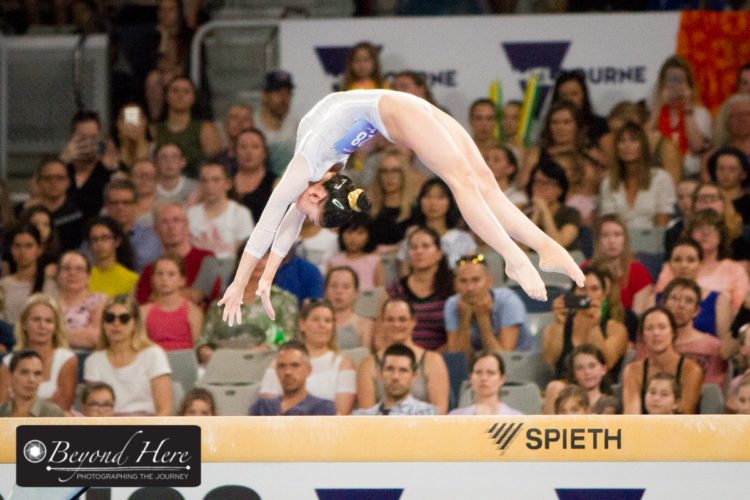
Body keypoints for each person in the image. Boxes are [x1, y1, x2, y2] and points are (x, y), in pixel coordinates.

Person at [219, 90, 586, 326]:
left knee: (462, 183)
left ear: (316, 196)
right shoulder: (322, 178)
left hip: (400, 114)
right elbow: (289, 225)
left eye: (307, 213)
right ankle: (547, 247)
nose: (300, 215)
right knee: (483, 181)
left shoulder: (301, 170)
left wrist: (239, 283)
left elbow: (267, 227)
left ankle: (513, 257)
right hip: (407, 109)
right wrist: (265, 279)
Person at [259, 300, 356, 415]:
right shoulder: (279, 361)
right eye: (316, 320)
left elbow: (342, 413)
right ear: (302, 324)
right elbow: (268, 409)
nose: (322, 325)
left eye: (327, 321)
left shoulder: (344, 364)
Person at [84, 294, 172, 416]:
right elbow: (93, 409)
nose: (116, 323)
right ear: (104, 324)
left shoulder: (154, 354)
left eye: (124, 319)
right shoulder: (93, 361)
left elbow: (164, 409)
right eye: (110, 318)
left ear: (135, 323)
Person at [357, 298, 449, 414]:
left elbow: (439, 411)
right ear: (382, 322)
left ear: (413, 321)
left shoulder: (433, 360)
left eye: (402, 319)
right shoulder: (368, 364)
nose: (396, 324)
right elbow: (367, 415)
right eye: (390, 319)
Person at [200, 249, 298, 350]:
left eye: (264, 257)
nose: (258, 262)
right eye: (252, 257)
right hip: (226, 361)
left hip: (267, 361)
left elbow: (289, 339)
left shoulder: (284, 300)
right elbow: (203, 342)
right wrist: (206, 352)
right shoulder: (222, 304)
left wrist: (266, 348)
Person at [543, 266, 628, 380]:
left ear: (603, 295)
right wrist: (559, 324)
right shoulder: (556, 327)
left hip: (600, 391)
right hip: (565, 390)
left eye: (594, 289)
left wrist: (595, 325)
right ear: (573, 293)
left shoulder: (615, 329)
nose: (588, 294)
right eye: (582, 288)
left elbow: (607, 362)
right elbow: (549, 359)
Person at [656, 209, 749, 312]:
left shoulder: (735, 270)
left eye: (712, 227)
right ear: (690, 234)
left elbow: (741, 309)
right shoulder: (672, 266)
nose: (705, 233)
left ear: (721, 234)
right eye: (699, 227)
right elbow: (660, 302)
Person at [444, 253, 533, 361]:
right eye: (463, 281)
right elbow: (457, 361)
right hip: (476, 368)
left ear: (489, 281)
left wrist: (483, 318)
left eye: (475, 280)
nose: (470, 288)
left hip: (519, 365)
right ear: (455, 284)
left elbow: (504, 361)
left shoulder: (508, 301)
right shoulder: (452, 304)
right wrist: (464, 320)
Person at [136, 203, 223, 308]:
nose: (171, 227)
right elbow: (143, 308)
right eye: (164, 222)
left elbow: (197, 297)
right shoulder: (149, 270)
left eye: (176, 220)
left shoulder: (207, 259)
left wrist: (158, 297)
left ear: (186, 225)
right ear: (155, 230)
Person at [0, 294, 77, 413]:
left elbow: (62, 409)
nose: (42, 326)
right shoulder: (9, 362)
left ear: (55, 326)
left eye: (48, 321)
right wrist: (48, 402)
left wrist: (21, 405)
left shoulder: (67, 359)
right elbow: (3, 409)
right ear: (24, 324)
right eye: (36, 320)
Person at [622, 307, 702, 414]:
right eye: (649, 328)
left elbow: (685, 415)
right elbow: (631, 416)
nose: (656, 333)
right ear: (644, 336)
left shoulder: (691, 370)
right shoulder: (633, 370)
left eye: (662, 327)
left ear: (673, 332)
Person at [650, 239, 732, 342]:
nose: (684, 265)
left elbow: (725, 345)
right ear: (669, 264)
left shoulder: (720, 300)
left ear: (701, 264)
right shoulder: (654, 299)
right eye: (677, 260)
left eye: (691, 260)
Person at [599, 121, 676, 228]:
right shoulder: (608, 183)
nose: (627, 145)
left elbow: (662, 222)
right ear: (617, 148)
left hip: (652, 240)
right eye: (622, 141)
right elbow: (609, 222)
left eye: (633, 140)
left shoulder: (661, 178)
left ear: (643, 145)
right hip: (618, 241)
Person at [652, 278, 727, 387]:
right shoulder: (652, 341)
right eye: (675, 298)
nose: (681, 305)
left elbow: (712, 391)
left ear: (696, 311)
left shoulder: (713, 346)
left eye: (688, 300)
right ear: (663, 304)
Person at [388, 227, 454, 350]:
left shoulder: (453, 287)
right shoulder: (395, 290)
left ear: (439, 253)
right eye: (413, 247)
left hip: (444, 359)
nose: (419, 251)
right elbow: (382, 334)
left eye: (425, 246)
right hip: (402, 359)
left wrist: (429, 360)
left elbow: (458, 336)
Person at [647, 55, 712, 178]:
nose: (674, 85)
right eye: (670, 79)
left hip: (691, 174)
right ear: (662, 82)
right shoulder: (652, 111)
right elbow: (643, 142)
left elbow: (697, 146)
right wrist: (659, 106)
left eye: (679, 80)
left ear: (688, 83)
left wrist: (687, 107)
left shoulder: (699, 112)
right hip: (658, 172)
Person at [187, 162, 254, 275]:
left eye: (216, 180)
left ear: (228, 184)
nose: (209, 185)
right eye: (204, 180)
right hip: (195, 271)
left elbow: (243, 254)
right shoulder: (190, 214)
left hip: (229, 272)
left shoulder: (240, 214)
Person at [398, 177, 477, 271]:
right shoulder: (413, 236)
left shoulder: (463, 239)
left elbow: (471, 274)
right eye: (427, 196)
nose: (433, 203)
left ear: (450, 202)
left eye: (440, 197)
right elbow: (405, 275)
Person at [153, 76, 223, 178]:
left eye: (186, 91)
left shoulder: (205, 128)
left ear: (193, 98)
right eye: (175, 90)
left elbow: (216, 163)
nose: (180, 95)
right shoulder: (155, 129)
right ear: (166, 96)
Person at [599, 100, 682, 184]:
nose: (615, 137)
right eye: (614, 132)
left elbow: (672, 187)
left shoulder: (666, 148)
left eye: (618, 132)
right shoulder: (616, 145)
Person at [249, 340, 336, 416]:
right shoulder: (262, 407)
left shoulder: (323, 408)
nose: (288, 372)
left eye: (295, 365)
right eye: (282, 366)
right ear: (276, 370)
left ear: (308, 370)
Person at [587, 214, 653, 314]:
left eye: (617, 234)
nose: (612, 241)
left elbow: (636, 318)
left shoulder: (639, 273)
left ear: (625, 239)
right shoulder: (584, 270)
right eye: (605, 235)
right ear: (597, 240)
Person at [354, 343, 439, 415]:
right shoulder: (362, 416)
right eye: (390, 369)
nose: (395, 377)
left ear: (414, 376)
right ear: (380, 373)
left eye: (403, 370)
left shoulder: (428, 414)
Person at [521, 100, 590, 188]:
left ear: (577, 125)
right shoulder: (536, 154)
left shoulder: (588, 156)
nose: (560, 128)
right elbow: (524, 185)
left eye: (566, 122)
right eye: (555, 122)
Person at [60, 110, 114, 220]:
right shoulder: (61, 170)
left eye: (93, 137)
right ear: (72, 139)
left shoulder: (108, 173)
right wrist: (62, 161)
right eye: (82, 138)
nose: (88, 143)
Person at [141, 256, 203, 351]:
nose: (164, 279)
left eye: (171, 274)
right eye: (160, 274)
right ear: (153, 279)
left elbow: (198, 348)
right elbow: (140, 347)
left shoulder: (193, 312)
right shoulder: (143, 312)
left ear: (182, 280)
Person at [0, 224, 58, 324]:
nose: (22, 251)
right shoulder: (4, 285)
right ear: (11, 249)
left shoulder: (50, 284)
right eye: (17, 246)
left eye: (29, 246)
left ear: (39, 249)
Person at [24, 157, 84, 252]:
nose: (53, 182)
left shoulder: (80, 211)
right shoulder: (25, 211)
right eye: (48, 178)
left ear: (68, 181)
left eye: (59, 178)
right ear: (39, 182)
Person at [103, 179, 163, 273]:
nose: (120, 207)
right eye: (114, 203)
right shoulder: (94, 239)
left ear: (136, 205)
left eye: (126, 203)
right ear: (106, 206)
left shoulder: (153, 237)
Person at [524, 159, 582, 251]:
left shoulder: (570, 213)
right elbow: (518, 252)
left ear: (560, 189)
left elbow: (558, 247)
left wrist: (544, 211)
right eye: (537, 182)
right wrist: (535, 215)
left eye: (547, 183)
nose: (541, 188)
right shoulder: (525, 214)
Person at [365, 150, 415, 254]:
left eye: (395, 170)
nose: (389, 176)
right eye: (384, 171)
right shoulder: (368, 209)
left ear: (404, 174)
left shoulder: (415, 210)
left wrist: (391, 249)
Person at [56, 251, 106, 352]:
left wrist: (57, 334)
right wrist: (81, 335)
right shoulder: (50, 304)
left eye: (79, 269)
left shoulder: (99, 300)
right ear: (59, 274)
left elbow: (97, 338)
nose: (72, 273)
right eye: (66, 268)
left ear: (88, 276)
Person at [543, 344, 612, 415]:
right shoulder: (564, 398)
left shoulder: (609, 403)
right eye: (580, 368)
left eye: (592, 366)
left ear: (604, 369)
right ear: (573, 374)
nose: (586, 372)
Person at [449, 350, 522, 415]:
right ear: (471, 377)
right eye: (478, 372)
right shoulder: (455, 417)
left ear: (501, 379)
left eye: (491, 373)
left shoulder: (516, 418)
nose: (484, 378)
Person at [254, 71, 299, 176]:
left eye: (288, 93)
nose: (284, 98)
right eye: (278, 92)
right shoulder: (252, 124)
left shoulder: (298, 126)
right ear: (264, 95)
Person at [550, 69, 608, 145]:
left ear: (584, 96)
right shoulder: (549, 128)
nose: (569, 99)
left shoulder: (601, 126)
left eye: (574, 94)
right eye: (564, 95)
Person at [0, 350, 65, 417]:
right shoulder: (1, 412)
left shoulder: (53, 413)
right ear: (11, 376)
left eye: (37, 373)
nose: (31, 380)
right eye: (24, 372)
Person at [324, 266, 374, 351]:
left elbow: (365, 359)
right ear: (325, 291)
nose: (339, 291)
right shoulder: (316, 324)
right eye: (334, 286)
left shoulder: (365, 325)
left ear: (356, 293)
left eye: (346, 287)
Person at [87, 216, 139, 297]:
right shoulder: (83, 276)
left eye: (105, 238)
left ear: (117, 242)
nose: (99, 243)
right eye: (94, 239)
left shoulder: (131, 279)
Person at [234, 128, 278, 223]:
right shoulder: (225, 180)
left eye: (255, 147)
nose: (249, 152)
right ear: (235, 152)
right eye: (243, 147)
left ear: (264, 153)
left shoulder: (276, 183)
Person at [327, 215, 382, 290]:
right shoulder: (334, 263)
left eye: (360, 233)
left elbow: (380, 291)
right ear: (341, 234)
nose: (353, 238)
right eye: (349, 232)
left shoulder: (374, 261)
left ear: (368, 236)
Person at [706, 146, 750, 223]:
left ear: (744, 174)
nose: (725, 174)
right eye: (721, 168)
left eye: (732, 169)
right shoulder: (705, 202)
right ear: (714, 171)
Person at [212, 104, 254, 174]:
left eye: (246, 119)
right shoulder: (215, 162)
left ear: (253, 125)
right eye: (234, 118)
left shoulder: (262, 161)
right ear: (225, 125)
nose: (240, 123)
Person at [131, 159, 159, 227]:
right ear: (130, 178)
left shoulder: (165, 207)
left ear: (156, 179)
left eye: (149, 175)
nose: (144, 180)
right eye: (140, 175)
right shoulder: (118, 205)